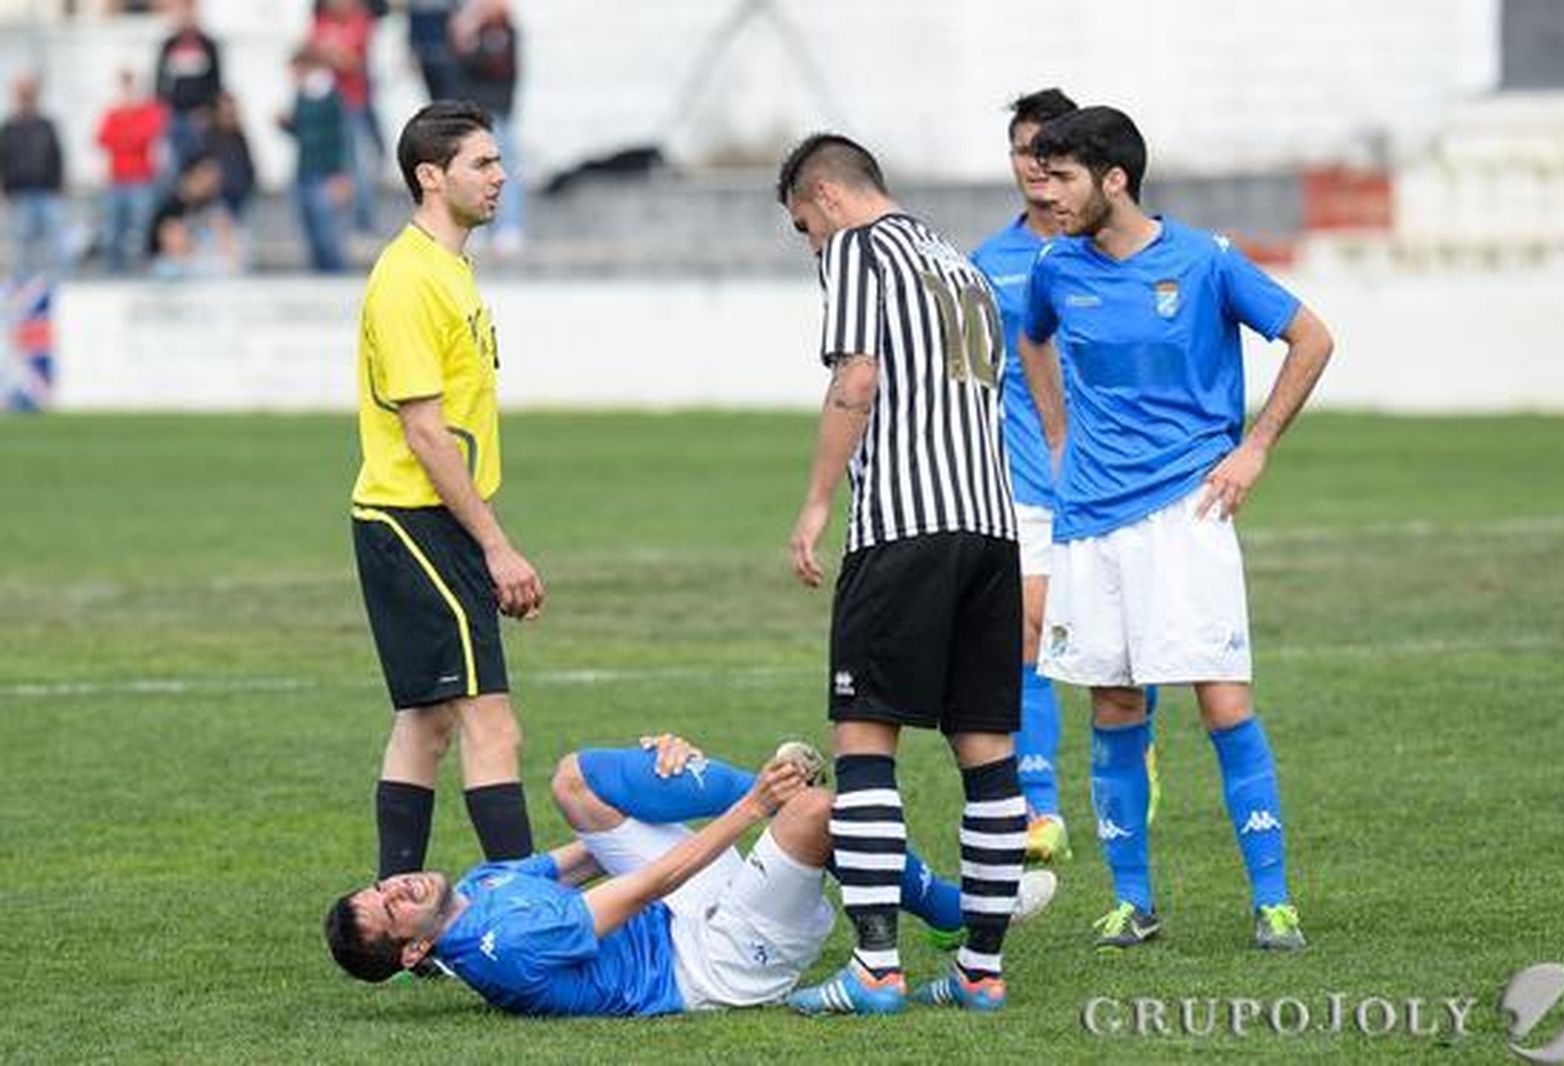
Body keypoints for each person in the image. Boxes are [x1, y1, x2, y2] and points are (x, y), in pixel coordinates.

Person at [1016, 106, 1334, 953]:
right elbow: (1033, 342)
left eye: (1063, 177)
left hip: (1184, 514)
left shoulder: (1203, 261)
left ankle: (1273, 902)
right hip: (1087, 520)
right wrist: (1057, 435)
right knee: (1115, 707)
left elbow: (1311, 337)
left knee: (1223, 701)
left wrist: (1254, 447)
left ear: (1114, 180)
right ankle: (1133, 903)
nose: (1045, 192)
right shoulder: (1054, 269)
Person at [778, 135, 1025, 1014]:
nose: (814, 246)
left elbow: (858, 377)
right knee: (988, 751)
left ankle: (876, 969)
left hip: (903, 527)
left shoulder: (857, 248)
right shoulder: (958, 263)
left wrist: (816, 504)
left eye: (806, 229)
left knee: (865, 738)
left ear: (828, 199)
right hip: (990, 529)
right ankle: (981, 973)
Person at [324, 735, 1058, 1012]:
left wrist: (656, 784)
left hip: (679, 916)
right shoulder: (505, 942)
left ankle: (781, 786)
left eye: (381, 884)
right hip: (712, 963)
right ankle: (948, 909)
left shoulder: (476, 889)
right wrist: (749, 806)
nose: (398, 885)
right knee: (814, 814)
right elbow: (648, 883)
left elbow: (590, 850)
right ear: (414, 951)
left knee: (579, 781)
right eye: (390, 908)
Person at [351, 102, 543, 898]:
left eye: (499, 162)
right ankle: (529, 915)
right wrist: (496, 544)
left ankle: (395, 902)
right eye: (482, 165)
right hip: (416, 521)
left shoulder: (449, 268)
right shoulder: (406, 279)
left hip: (419, 521)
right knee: (492, 725)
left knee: (425, 723)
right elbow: (426, 436)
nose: (500, 177)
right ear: (431, 177)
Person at [970, 89, 1163, 865]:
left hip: (1117, 484)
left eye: (1050, 155)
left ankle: (1133, 738)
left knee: (1114, 650)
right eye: (1023, 152)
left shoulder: (1123, 252)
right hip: (1025, 479)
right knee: (1029, 631)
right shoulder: (991, 262)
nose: (1035, 169)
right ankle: (1039, 807)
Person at [451, 0, 523, 255]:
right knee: (474, 175)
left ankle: (509, 227)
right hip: (477, 116)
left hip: (497, 114)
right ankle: (479, 227)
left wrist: (466, 35)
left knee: (505, 174)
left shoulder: (502, 31)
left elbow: (487, 64)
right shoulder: (480, 32)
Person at [311, 0, 382, 233]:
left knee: (358, 163)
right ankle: (336, 221)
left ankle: (363, 220)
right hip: (325, 105)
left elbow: (352, 61)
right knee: (333, 165)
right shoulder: (320, 20)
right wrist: (335, 55)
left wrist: (332, 54)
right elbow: (312, 53)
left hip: (353, 102)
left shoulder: (360, 20)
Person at [280, 49, 349, 273]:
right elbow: (303, 133)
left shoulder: (331, 97)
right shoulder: (302, 95)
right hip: (304, 169)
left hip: (326, 173)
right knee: (310, 230)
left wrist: (341, 175)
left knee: (326, 233)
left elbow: (341, 140)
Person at [94, 69, 166, 274]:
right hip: (116, 180)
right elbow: (102, 139)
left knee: (141, 231)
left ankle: (140, 272)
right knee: (113, 232)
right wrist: (128, 136)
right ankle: (113, 273)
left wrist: (123, 136)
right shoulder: (112, 113)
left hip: (141, 180)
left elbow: (145, 136)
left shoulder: (149, 111)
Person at [0, 74, 66, 281]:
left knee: (54, 243)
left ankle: (57, 283)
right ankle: (22, 286)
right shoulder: (8, 128)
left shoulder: (47, 125)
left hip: (46, 192)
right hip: (19, 193)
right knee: (21, 245)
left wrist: (58, 187)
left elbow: (57, 156)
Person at [153, 0, 223, 169]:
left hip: (199, 115)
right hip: (175, 114)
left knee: (199, 163)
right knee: (174, 163)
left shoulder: (208, 45)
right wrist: (162, 109)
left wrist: (207, 108)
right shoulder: (169, 45)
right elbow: (160, 80)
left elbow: (216, 81)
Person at [145, 153, 238, 279]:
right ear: (191, 176)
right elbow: (176, 251)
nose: (212, 185)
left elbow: (230, 253)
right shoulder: (171, 208)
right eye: (207, 178)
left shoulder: (212, 207)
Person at [203, 91, 256, 224]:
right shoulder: (209, 136)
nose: (231, 113)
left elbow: (247, 163)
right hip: (219, 196)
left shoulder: (238, 135)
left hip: (241, 194)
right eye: (226, 110)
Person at [407, 0, 460, 101]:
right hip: (426, 56)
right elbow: (413, 29)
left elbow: (455, 22)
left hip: (444, 55)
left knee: (448, 98)